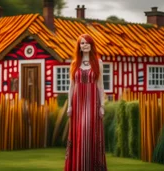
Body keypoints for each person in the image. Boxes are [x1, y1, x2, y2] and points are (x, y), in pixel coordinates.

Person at [64, 34, 107, 171]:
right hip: (77, 103)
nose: (84, 45)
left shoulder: (98, 62)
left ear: (91, 45)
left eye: (87, 43)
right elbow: (71, 86)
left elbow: (100, 85)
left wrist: (102, 106)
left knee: (88, 131)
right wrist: (69, 105)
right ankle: (78, 166)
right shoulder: (74, 63)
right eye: (82, 43)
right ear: (79, 46)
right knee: (79, 133)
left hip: (93, 101)